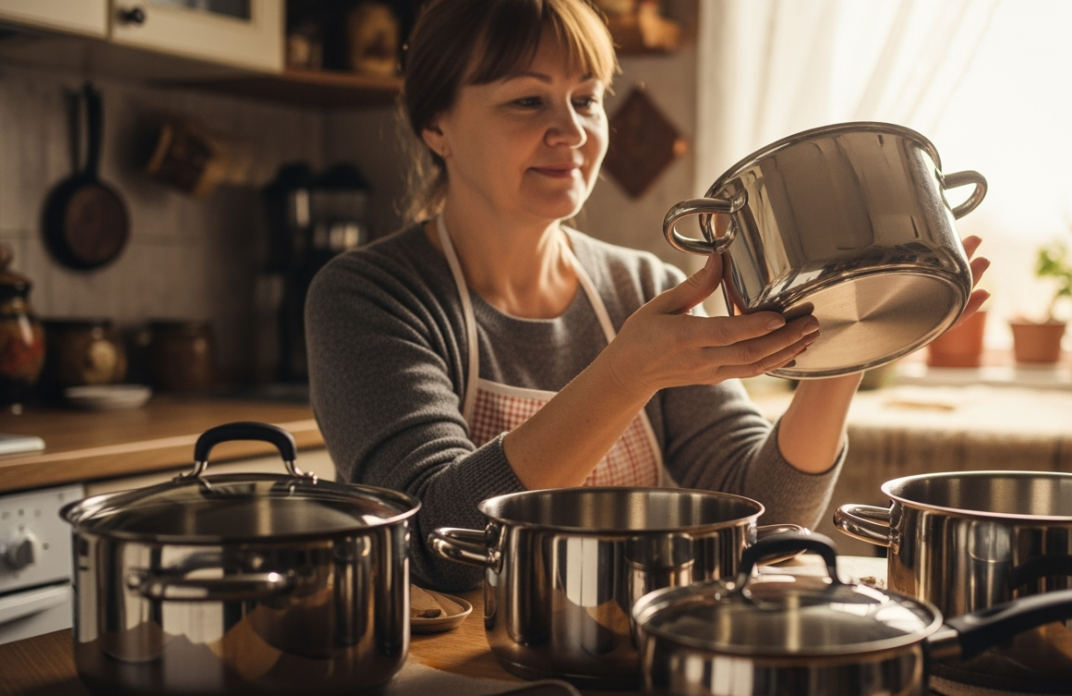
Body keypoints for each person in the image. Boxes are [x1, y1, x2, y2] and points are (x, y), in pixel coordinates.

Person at [305, 0, 990, 592]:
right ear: (436, 126)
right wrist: (627, 374)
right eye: (526, 100)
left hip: (639, 653)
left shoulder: (642, 287)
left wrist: (851, 337)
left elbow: (767, 514)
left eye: (586, 97)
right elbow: (435, 541)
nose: (572, 132)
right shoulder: (369, 297)